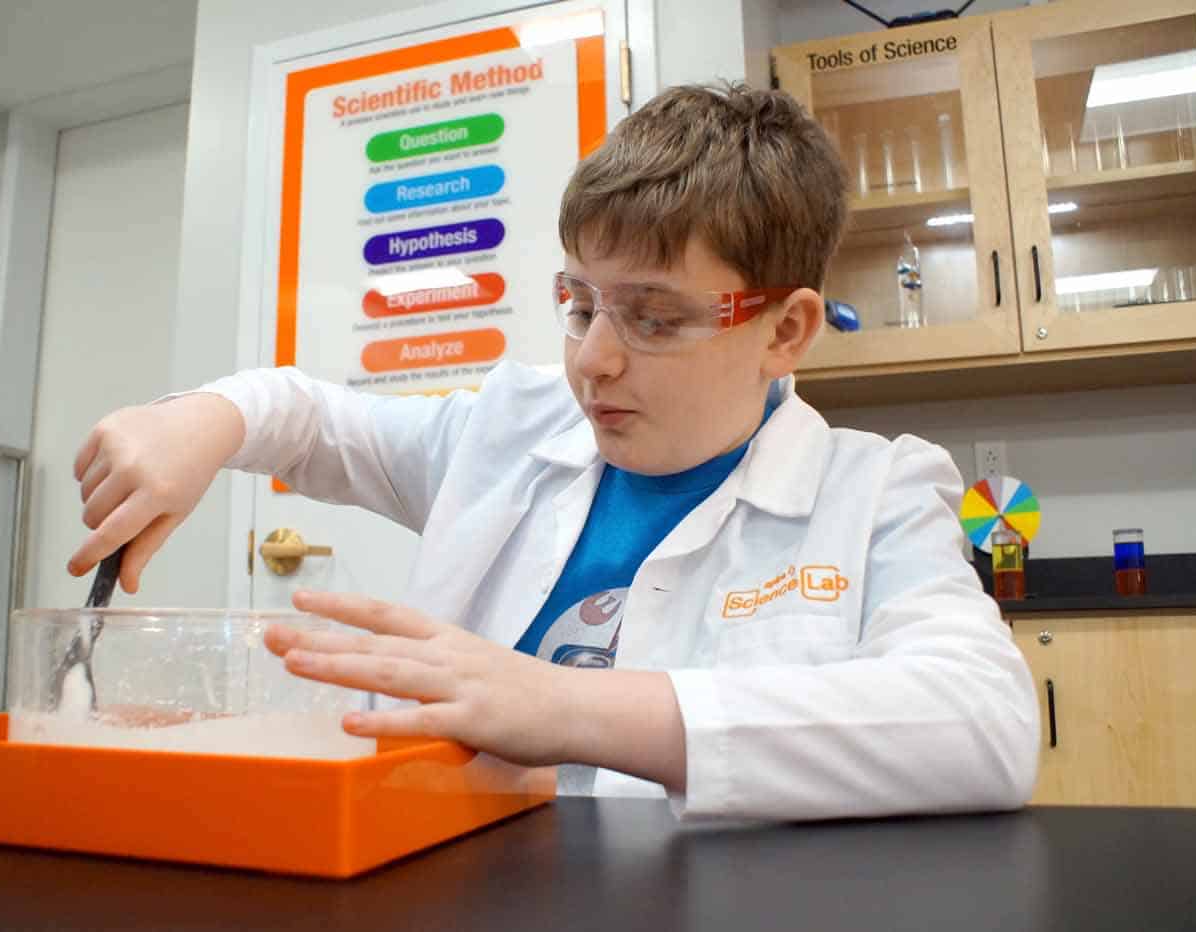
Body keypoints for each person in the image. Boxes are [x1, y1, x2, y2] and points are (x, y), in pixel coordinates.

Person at [68, 83, 1039, 821]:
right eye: (578, 302)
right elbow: (311, 418)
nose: (591, 358)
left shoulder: (874, 490)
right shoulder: (514, 428)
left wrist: (565, 704)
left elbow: (984, 722)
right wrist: (199, 419)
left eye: (651, 316)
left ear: (783, 330)